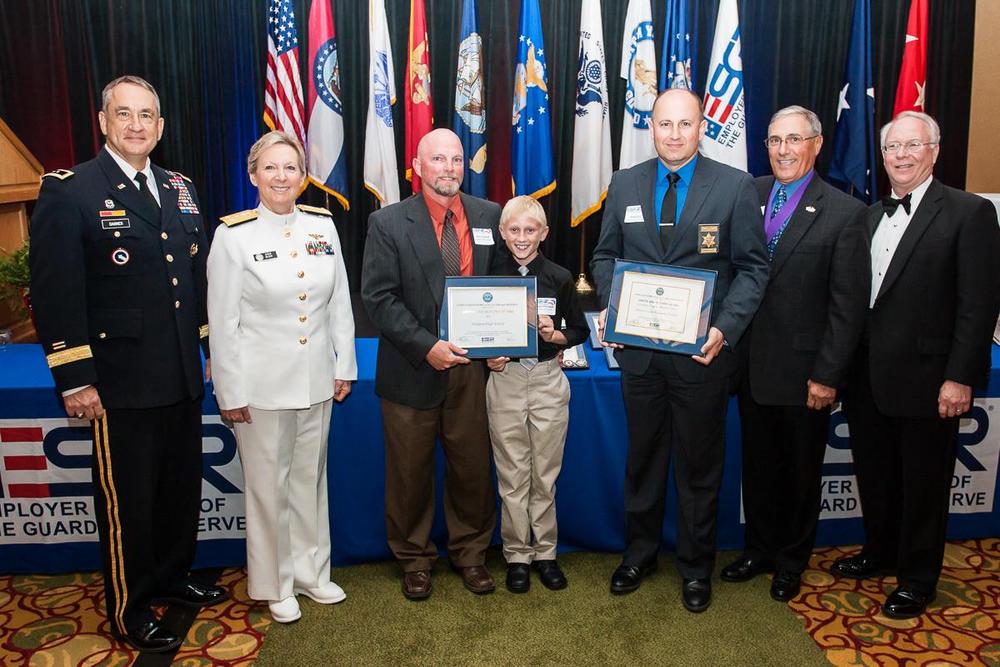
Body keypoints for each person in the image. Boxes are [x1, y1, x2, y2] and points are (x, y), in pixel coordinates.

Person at [28, 75, 226, 653]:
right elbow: (56, 292)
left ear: (161, 127)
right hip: (118, 381)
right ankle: (131, 605)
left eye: (147, 116)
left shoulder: (179, 187)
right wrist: (75, 377)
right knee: (130, 502)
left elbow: (192, 279)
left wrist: (209, 351)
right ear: (103, 121)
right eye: (125, 114)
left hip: (181, 375)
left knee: (177, 490)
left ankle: (172, 575)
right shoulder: (71, 190)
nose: (137, 125)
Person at [590, 88, 769, 612]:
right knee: (643, 460)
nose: (673, 134)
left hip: (702, 357)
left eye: (684, 124)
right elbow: (604, 256)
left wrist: (725, 328)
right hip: (640, 357)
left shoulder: (735, 187)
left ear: (701, 128)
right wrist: (613, 301)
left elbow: (755, 269)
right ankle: (639, 554)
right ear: (652, 128)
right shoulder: (625, 183)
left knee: (698, 467)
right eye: (664, 124)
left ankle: (695, 567)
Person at [831, 111, 1000, 619]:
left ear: (934, 151)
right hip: (867, 379)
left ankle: (918, 578)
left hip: (930, 382)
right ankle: (880, 553)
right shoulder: (867, 215)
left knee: (924, 485)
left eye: (912, 145)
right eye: (892, 148)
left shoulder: (969, 213)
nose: (901, 155)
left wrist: (959, 376)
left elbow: (979, 303)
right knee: (876, 476)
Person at [206, 131, 357, 624]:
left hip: (316, 381)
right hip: (261, 388)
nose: (281, 177)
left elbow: (339, 303)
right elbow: (223, 322)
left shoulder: (322, 226)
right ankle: (275, 582)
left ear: (303, 176)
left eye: (290, 168)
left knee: (310, 480)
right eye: (270, 168)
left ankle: (312, 572)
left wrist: (344, 364)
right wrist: (229, 390)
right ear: (253, 175)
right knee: (268, 488)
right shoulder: (233, 235)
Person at [721, 106, 869, 602]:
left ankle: (790, 561)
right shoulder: (750, 192)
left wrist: (827, 375)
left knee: (801, 474)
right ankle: (758, 550)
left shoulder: (846, 214)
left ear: (817, 144)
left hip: (805, 374)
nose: (783, 150)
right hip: (747, 365)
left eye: (794, 140)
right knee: (758, 467)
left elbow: (847, 307)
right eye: (774, 140)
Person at [361, 128, 500, 600]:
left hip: (471, 372)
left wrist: (505, 337)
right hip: (411, 368)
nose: (448, 168)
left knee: (472, 468)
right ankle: (414, 559)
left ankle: (471, 554)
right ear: (417, 166)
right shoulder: (388, 222)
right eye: (437, 159)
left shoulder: (489, 216)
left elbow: (502, 288)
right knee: (409, 473)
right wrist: (426, 346)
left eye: (456, 159)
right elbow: (378, 298)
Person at [484, 196, 589, 594]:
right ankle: (516, 555)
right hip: (506, 379)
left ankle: (545, 552)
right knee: (512, 476)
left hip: (546, 379)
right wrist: (486, 357)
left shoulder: (560, 277)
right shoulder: (489, 273)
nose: (523, 238)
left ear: (544, 234)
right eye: (515, 230)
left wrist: (554, 335)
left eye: (531, 230)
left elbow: (578, 330)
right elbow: (472, 328)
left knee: (545, 475)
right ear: (502, 233)